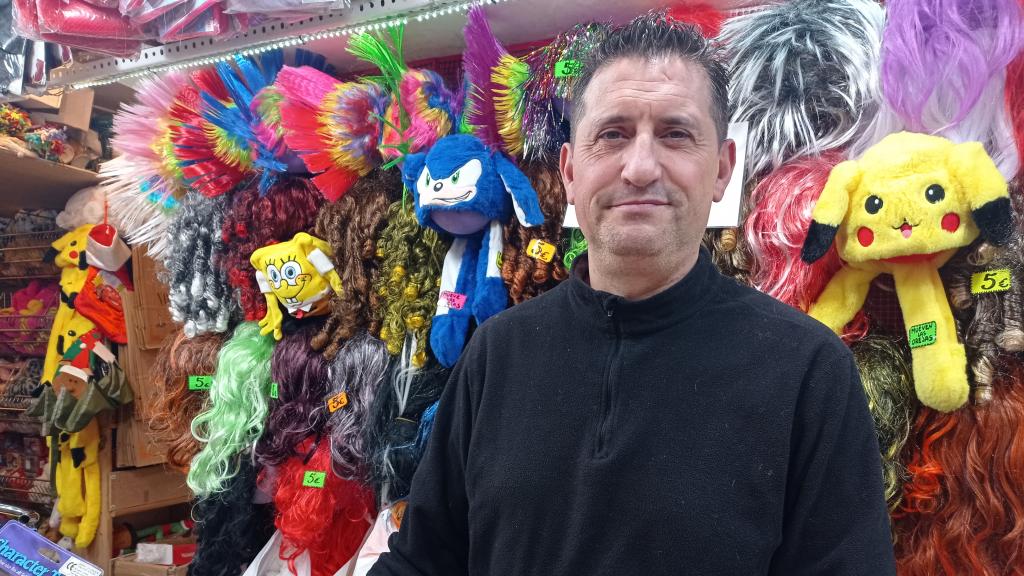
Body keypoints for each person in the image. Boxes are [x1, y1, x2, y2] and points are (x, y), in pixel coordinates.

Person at [369, 12, 896, 576]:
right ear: (570, 171)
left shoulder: (808, 370)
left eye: (676, 134)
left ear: (723, 169)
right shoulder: (496, 354)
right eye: (612, 135)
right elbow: (424, 560)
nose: (641, 168)